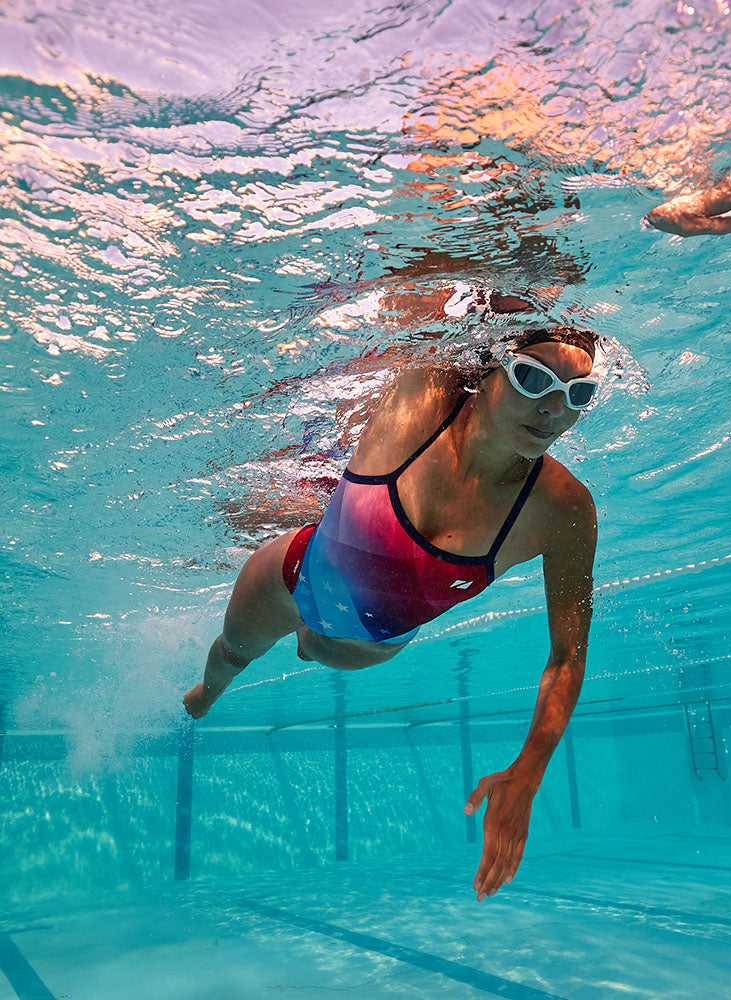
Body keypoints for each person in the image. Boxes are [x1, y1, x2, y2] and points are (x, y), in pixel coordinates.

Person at [184, 326, 600, 901]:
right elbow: (423, 287)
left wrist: (528, 772)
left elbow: (567, 655)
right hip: (293, 576)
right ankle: (205, 695)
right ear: (489, 369)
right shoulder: (422, 392)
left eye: (579, 394)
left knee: (313, 646)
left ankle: (298, 645)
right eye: (534, 378)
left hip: (368, 647)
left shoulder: (562, 509)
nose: (554, 409)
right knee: (231, 656)